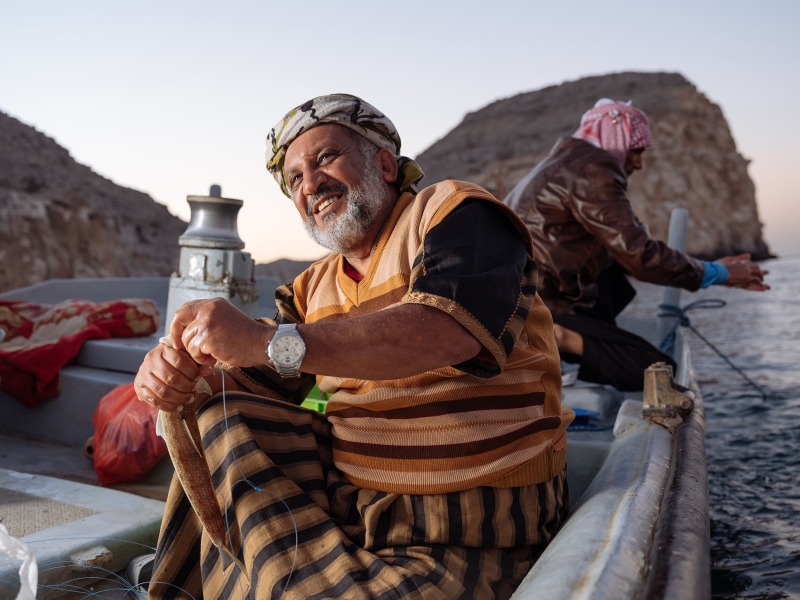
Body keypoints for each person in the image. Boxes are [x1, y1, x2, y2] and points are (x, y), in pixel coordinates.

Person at [134, 94, 574, 600]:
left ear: (385, 165)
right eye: (294, 179)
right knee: (214, 408)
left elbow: (447, 328)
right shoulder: (309, 288)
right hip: (360, 504)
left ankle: (284, 577)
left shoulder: (454, 211)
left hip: (474, 518)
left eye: (324, 158)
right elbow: (262, 373)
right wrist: (175, 372)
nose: (310, 185)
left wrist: (261, 339)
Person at [503, 99, 769, 392]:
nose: (639, 163)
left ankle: (583, 346)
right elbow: (638, 254)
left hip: (522, 298)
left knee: (612, 272)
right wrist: (718, 274)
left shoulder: (563, 162)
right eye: (636, 151)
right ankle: (561, 338)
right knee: (660, 370)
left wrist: (710, 270)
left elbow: (624, 250)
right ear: (614, 140)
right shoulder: (592, 168)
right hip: (542, 306)